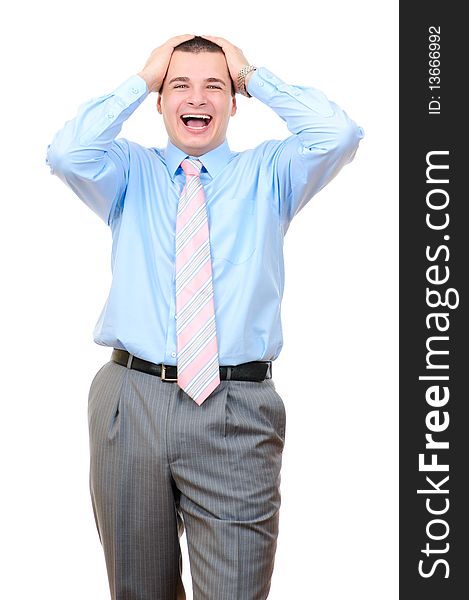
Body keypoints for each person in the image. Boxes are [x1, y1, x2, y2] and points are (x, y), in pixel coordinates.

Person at [46, 34, 363, 600]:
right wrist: (140, 79)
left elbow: (337, 134)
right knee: (137, 590)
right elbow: (67, 153)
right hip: (130, 402)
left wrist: (253, 74)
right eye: (179, 86)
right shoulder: (128, 172)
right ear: (162, 101)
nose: (198, 98)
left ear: (234, 101)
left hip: (235, 409)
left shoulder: (269, 173)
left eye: (214, 85)